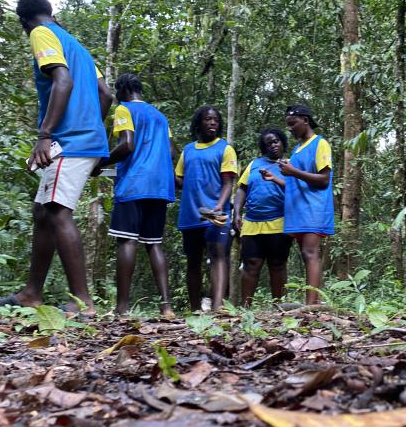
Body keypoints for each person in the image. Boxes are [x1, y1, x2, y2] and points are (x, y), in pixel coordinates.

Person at [0, 0, 112, 316]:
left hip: (69, 140)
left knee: (57, 212)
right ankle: (31, 293)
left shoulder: (42, 33)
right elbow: (105, 93)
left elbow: (62, 80)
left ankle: (83, 302)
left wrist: (45, 134)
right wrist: (93, 130)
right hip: (83, 139)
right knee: (43, 212)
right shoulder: (78, 47)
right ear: (50, 11)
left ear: (24, 21)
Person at [91, 74, 176, 318]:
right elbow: (171, 151)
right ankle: (167, 307)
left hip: (134, 184)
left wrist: (101, 162)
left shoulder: (124, 110)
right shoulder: (160, 116)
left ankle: (122, 307)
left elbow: (127, 145)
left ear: (123, 90)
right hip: (160, 187)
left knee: (127, 241)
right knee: (154, 243)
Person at [175, 106, 237, 311]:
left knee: (218, 257)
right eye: (208, 119)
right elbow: (180, 180)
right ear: (199, 123)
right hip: (190, 214)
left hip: (217, 215)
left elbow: (228, 183)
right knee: (193, 262)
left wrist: (219, 207)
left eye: (216, 120)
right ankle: (194, 310)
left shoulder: (225, 149)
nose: (212, 123)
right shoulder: (188, 150)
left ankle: (217, 307)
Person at [279, 104, 334, 303]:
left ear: (305, 120)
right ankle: (312, 302)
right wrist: (277, 177)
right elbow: (295, 181)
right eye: (288, 125)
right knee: (305, 254)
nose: (290, 129)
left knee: (310, 252)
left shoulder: (320, 144)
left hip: (314, 207)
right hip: (299, 209)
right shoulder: (296, 149)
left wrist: (293, 171)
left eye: (292, 124)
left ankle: (311, 306)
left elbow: (324, 179)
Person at [233, 128, 292, 305]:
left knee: (277, 264)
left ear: (282, 142)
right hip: (251, 222)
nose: (273, 145)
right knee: (251, 264)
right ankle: (245, 308)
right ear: (263, 147)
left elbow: (298, 189)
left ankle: (279, 307)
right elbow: (242, 188)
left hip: (279, 220)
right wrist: (236, 213)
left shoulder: (290, 164)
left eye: (275, 141)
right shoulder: (254, 164)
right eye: (268, 143)